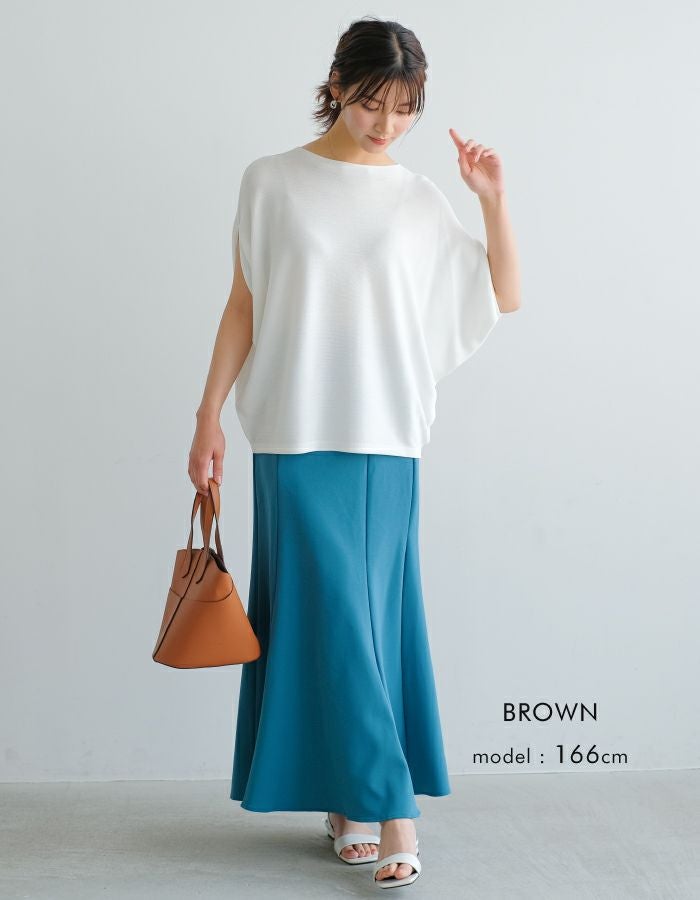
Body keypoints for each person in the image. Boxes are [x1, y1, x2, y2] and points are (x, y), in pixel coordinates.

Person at [188, 15, 521, 891]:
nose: (387, 124)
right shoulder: (270, 181)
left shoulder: (417, 198)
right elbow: (244, 304)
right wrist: (207, 414)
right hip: (289, 431)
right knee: (326, 618)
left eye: (406, 110)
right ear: (336, 82)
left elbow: (503, 292)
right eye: (374, 102)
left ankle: (379, 805)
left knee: (366, 622)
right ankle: (367, 803)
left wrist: (491, 199)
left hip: (384, 434)